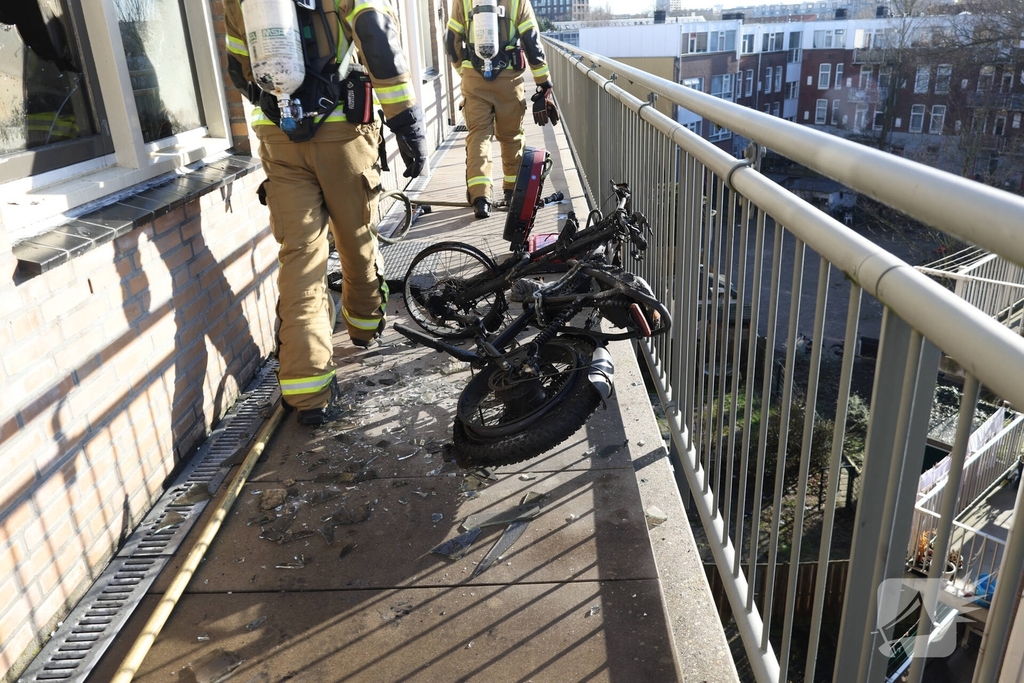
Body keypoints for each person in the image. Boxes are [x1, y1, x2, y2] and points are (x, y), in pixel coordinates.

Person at [225, 0, 427, 426]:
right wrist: (406, 124)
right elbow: (374, 37)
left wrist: (282, 109)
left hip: (279, 139)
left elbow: (237, 68)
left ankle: (307, 391)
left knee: (300, 258)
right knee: (357, 239)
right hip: (344, 134)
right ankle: (365, 327)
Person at [444, 0, 558, 219]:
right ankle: (512, 193)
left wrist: (464, 72)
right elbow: (532, 41)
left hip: (473, 79)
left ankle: (481, 199)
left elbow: (451, 41)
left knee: (478, 137)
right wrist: (543, 81)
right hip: (509, 79)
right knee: (512, 136)